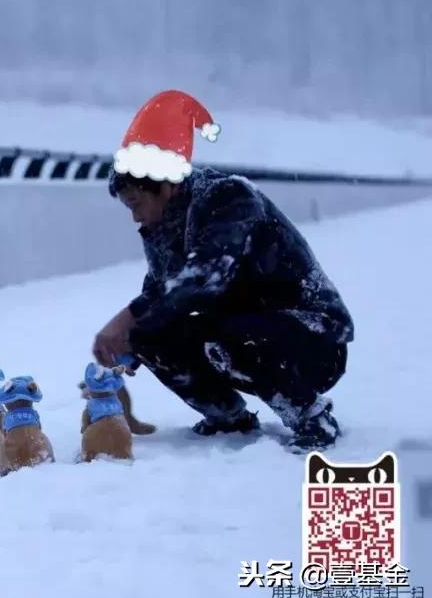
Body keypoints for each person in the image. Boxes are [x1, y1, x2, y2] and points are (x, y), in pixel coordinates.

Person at [91, 90, 354, 452]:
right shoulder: (163, 227)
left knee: (227, 336)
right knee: (150, 335)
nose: (135, 216)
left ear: (165, 184)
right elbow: (160, 293)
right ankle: (228, 418)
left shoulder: (229, 197)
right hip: (241, 334)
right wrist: (130, 337)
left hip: (313, 340)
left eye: (136, 203)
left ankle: (312, 418)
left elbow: (207, 275)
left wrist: (128, 318)